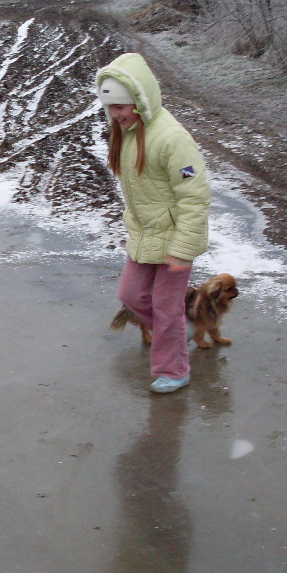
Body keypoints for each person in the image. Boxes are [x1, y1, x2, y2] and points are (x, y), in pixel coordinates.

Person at [96, 52, 210, 393]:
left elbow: (194, 196)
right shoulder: (128, 133)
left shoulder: (172, 138)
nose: (115, 116)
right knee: (131, 295)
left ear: (140, 101)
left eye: (121, 107)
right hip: (145, 234)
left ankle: (174, 370)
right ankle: (176, 331)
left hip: (174, 239)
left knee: (165, 306)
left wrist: (183, 250)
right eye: (110, 108)